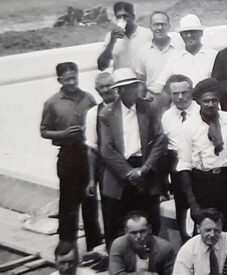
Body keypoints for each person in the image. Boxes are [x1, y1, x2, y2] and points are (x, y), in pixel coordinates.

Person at [98, 68, 167, 250]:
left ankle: (151, 265)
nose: (131, 91)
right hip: (119, 173)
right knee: (117, 226)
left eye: (134, 86)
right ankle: (119, 269)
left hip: (145, 170)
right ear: (118, 91)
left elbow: (160, 139)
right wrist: (129, 173)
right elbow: (106, 148)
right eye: (126, 87)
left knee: (149, 222)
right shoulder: (107, 113)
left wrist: (144, 169)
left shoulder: (149, 108)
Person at [40, 62, 102, 250]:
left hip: (87, 155)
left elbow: (98, 122)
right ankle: (67, 248)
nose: (72, 82)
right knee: (68, 204)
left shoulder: (88, 98)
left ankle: (94, 247)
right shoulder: (52, 102)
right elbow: (44, 131)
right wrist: (63, 134)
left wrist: (86, 130)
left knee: (90, 201)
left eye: (74, 77)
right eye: (68, 79)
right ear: (59, 80)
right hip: (67, 156)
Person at [176, 78, 227, 232]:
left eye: (214, 100)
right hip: (203, 183)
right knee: (206, 230)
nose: (210, 104)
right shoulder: (189, 126)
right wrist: (193, 204)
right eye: (206, 101)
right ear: (199, 102)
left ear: (219, 100)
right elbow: (184, 165)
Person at [160, 74, 200, 241]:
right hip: (178, 168)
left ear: (191, 91)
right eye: (175, 93)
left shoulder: (201, 110)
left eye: (184, 92)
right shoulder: (166, 117)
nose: (180, 97)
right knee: (183, 213)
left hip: (201, 167)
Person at [85, 72, 119, 249]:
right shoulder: (93, 113)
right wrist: (91, 178)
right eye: (101, 87)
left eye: (109, 85)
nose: (106, 89)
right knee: (110, 212)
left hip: (129, 167)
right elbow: (92, 148)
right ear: (97, 91)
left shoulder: (127, 107)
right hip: (107, 171)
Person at [158, 14, 216, 88]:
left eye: (193, 32)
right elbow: (161, 82)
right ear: (181, 35)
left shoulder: (213, 55)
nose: (189, 35)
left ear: (201, 33)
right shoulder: (175, 57)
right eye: (185, 33)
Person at [135, 11, 181, 98]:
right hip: (153, 99)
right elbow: (140, 82)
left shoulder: (179, 48)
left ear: (169, 26)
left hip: (177, 98)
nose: (159, 28)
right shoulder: (142, 52)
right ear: (150, 27)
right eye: (156, 24)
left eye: (163, 24)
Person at [97, 1, 152, 71]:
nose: (122, 20)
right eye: (119, 17)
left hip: (141, 79)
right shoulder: (110, 37)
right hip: (121, 79)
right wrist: (111, 43)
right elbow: (102, 66)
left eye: (125, 16)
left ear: (133, 17)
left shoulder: (147, 34)